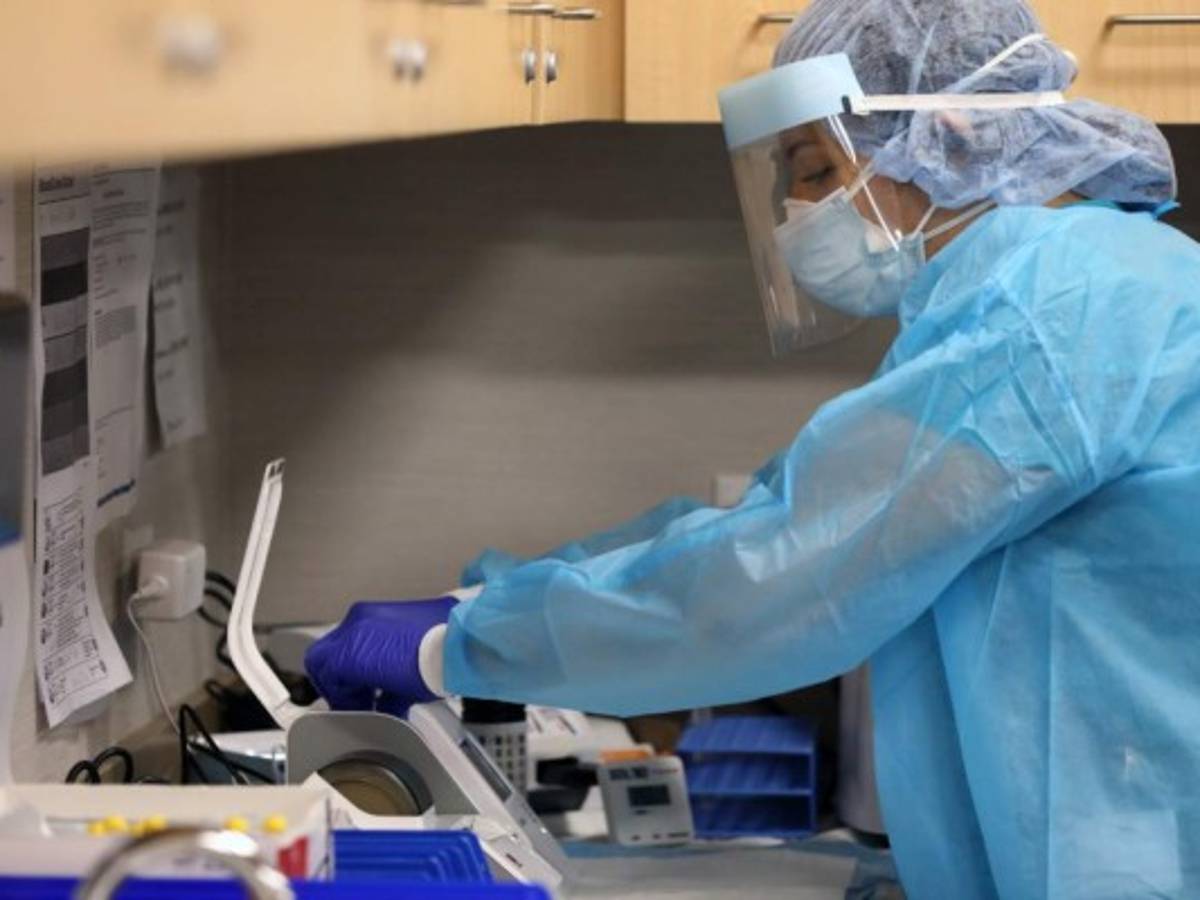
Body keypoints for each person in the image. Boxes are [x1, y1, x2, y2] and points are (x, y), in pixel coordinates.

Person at [306, 1, 1200, 896]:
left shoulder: (1054, 311)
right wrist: (491, 598)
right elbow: (794, 508)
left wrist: (462, 641)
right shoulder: (1065, 285)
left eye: (813, 169)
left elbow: (787, 571)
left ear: (949, 138)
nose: (797, 212)